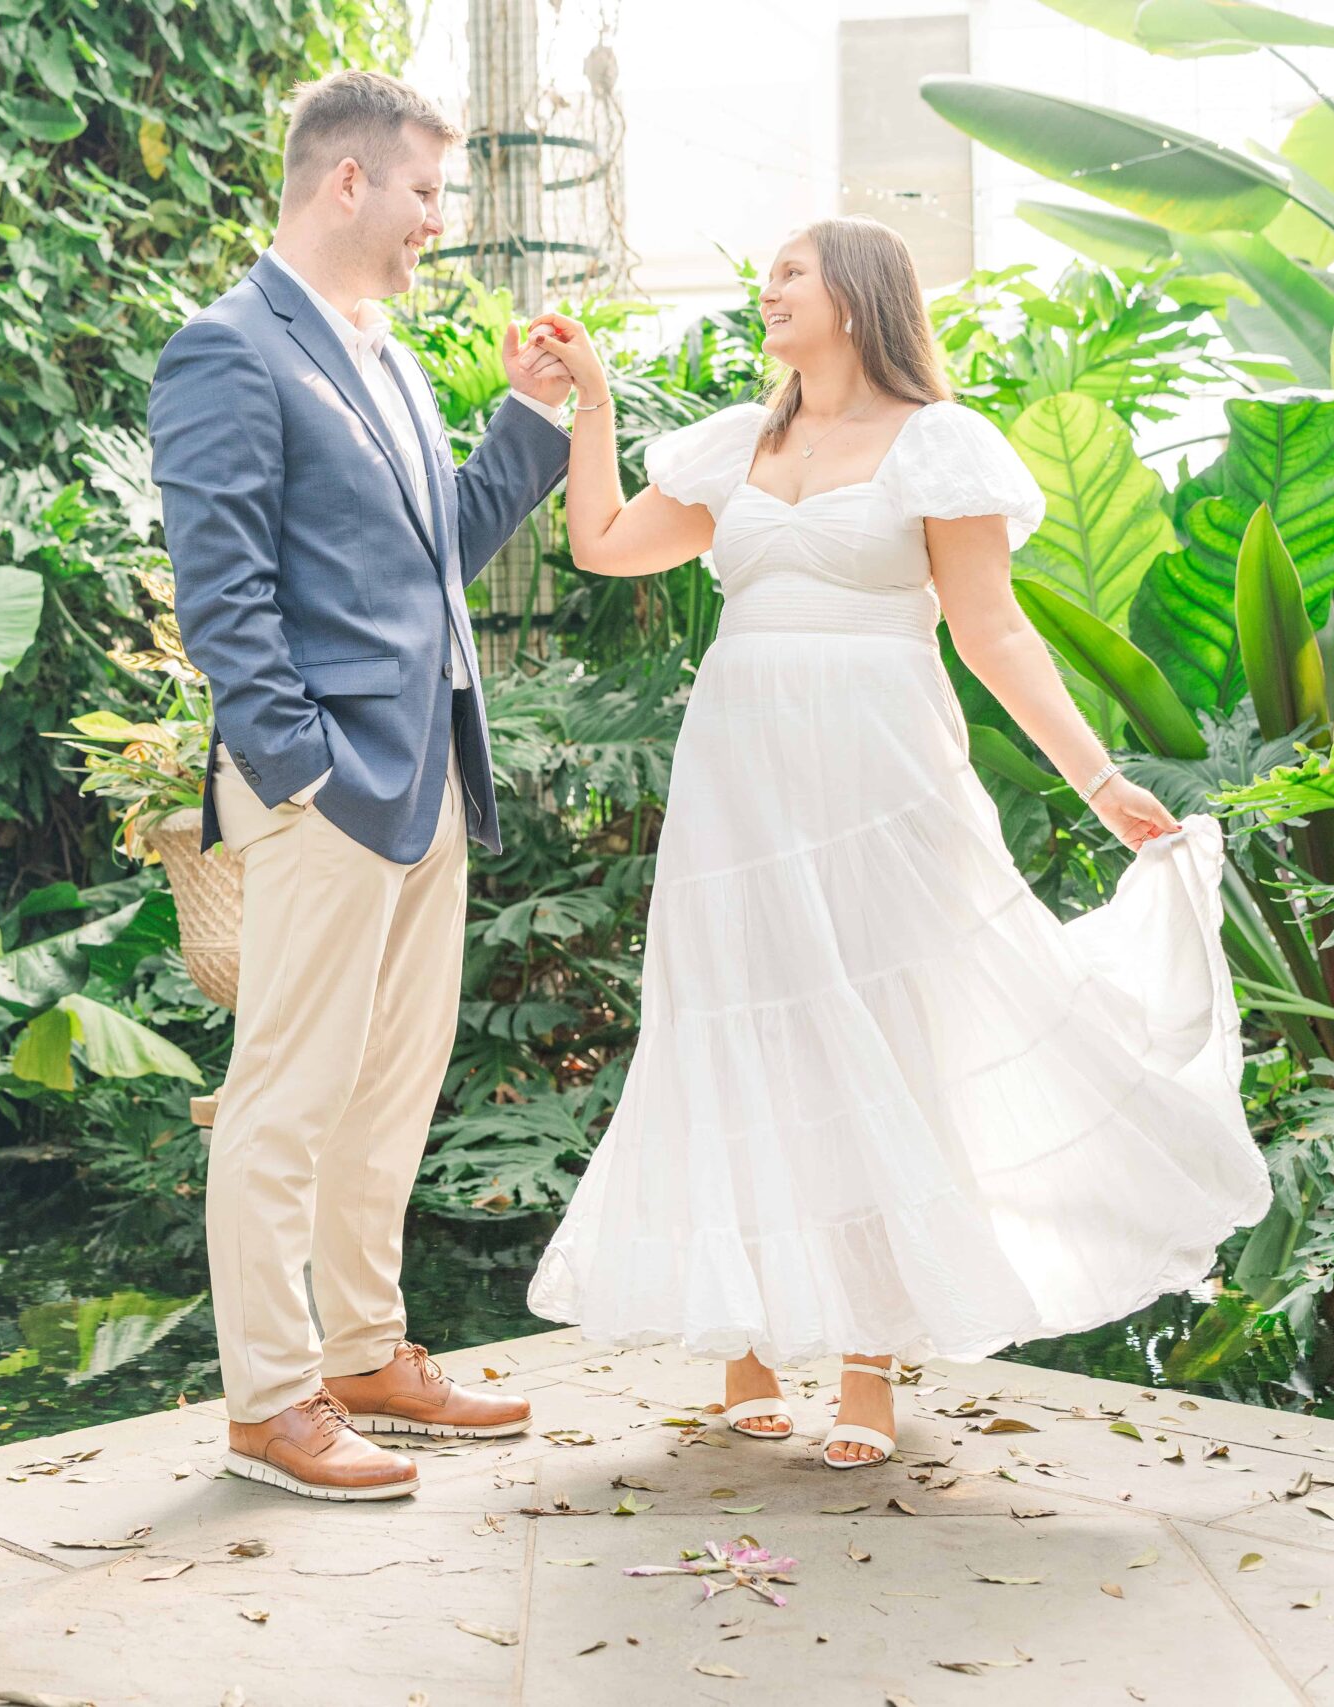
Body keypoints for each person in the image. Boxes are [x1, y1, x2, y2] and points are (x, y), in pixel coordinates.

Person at [515, 217, 1270, 1469]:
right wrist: (587, 403)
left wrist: (1096, 780)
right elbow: (603, 547)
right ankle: (745, 1344)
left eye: (789, 273)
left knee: (881, 1036)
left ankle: (869, 1360)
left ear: (858, 300)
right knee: (735, 1034)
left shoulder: (938, 446)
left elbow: (993, 632)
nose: (767, 289)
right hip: (737, 789)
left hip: (882, 782)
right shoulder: (734, 445)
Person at [147, 70, 578, 1501]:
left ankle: (366, 1352)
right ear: (348, 181)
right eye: (424, 192)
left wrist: (527, 419)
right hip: (327, 788)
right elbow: (223, 598)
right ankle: (272, 1403)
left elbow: (434, 550)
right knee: (286, 1096)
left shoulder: (385, 357)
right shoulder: (225, 350)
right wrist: (302, 772)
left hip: (429, 771)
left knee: (390, 1089)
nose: (435, 220)